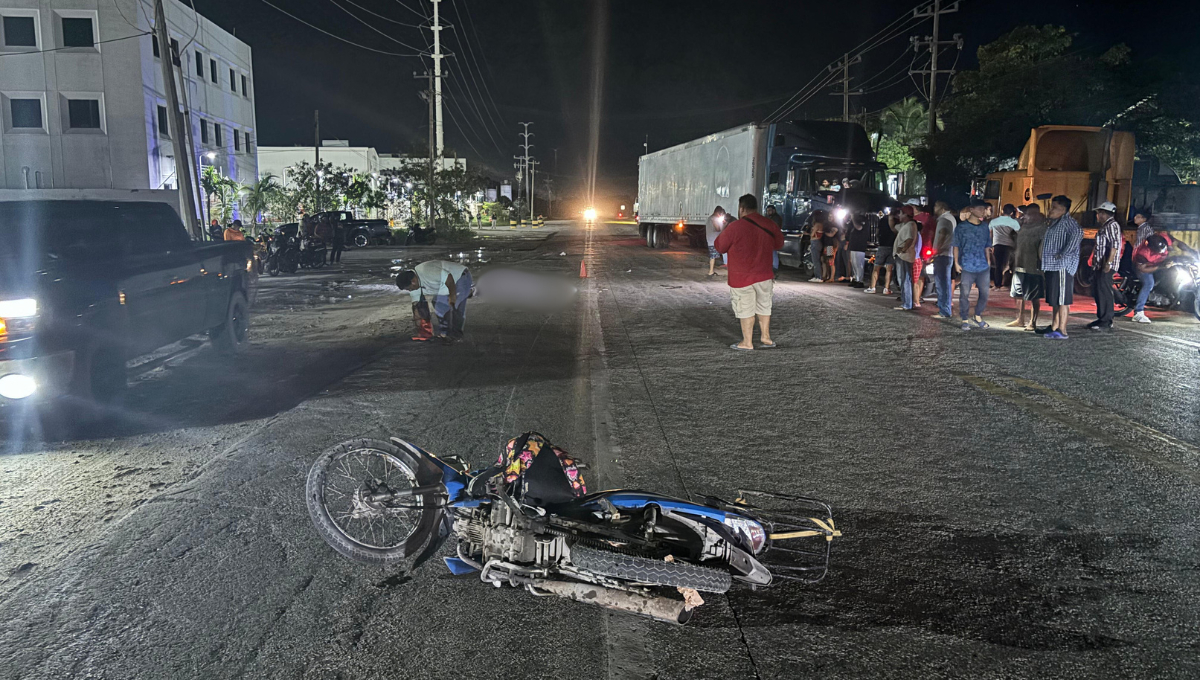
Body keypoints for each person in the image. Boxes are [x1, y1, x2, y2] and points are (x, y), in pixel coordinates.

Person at [714, 194, 784, 350]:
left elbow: (719, 246)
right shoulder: (769, 224)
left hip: (742, 276)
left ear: (741, 208)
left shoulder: (735, 227)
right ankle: (766, 338)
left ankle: (747, 342)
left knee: (745, 308)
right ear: (756, 207)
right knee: (764, 306)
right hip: (764, 274)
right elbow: (779, 243)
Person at [1039, 195, 1083, 339]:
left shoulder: (1069, 223)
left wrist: (1063, 254)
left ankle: (1062, 330)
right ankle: (1054, 326)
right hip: (1052, 266)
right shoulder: (1054, 223)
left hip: (1062, 266)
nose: (1051, 210)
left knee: (1063, 299)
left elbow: (1078, 235)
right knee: (1055, 299)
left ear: (1063, 210)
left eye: (1055, 208)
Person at [396, 260, 473, 340]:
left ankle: (456, 336)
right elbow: (416, 305)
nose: (410, 290)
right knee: (437, 302)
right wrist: (418, 320)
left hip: (460, 277)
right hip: (443, 285)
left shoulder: (427, 271)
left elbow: (449, 279)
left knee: (454, 306)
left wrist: (452, 297)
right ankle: (445, 332)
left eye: (409, 288)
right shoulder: (415, 286)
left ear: (413, 282)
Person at [953, 198, 994, 330]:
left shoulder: (984, 227)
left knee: (984, 293)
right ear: (972, 209)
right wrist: (956, 262)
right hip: (967, 264)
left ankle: (978, 315)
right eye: (981, 209)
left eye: (984, 209)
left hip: (982, 265)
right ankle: (965, 318)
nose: (983, 212)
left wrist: (988, 260)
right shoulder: (962, 227)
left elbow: (987, 245)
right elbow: (956, 245)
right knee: (965, 293)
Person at [1007, 204, 1048, 330]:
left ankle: (1033, 322)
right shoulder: (1022, 228)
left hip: (1033, 268)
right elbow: (1013, 241)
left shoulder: (1042, 229)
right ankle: (1020, 319)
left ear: (1036, 215)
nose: (1025, 216)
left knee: (1034, 296)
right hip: (1019, 266)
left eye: (1028, 214)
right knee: (1018, 294)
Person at [1087, 201, 1122, 331]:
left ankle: (1106, 319)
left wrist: (1108, 263)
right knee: (1098, 291)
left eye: (1099, 213)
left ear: (1104, 213)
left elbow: (1114, 246)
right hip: (1100, 264)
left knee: (1104, 291)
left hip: (1106, 265)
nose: (1097, 215)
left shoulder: (1112, 226)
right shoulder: (1105, 226)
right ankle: (1102, 317)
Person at [1131, 232, 1174, 324]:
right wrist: (1161, 267)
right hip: (1143, 268)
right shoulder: (1142, 253)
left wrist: (1190, 252)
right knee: (1149, 283)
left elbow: (1178, 244)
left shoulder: (1165, 238)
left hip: (1158, 264)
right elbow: (1142, 269)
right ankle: (1138, 312)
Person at [931, 201, 956, 319]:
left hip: (942, 254)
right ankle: (944, 309)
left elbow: (942, 234)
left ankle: (944, 310)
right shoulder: (951, 218)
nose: (934, 208)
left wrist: (935, 251)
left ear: (941, 208)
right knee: (944, 282)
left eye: (936, 206)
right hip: (948, 254)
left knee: (942, 283)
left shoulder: (943, 220)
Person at [893, 208, 920, 310]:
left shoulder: (910, 225)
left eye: (900, 213)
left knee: (904, 279)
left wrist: (902, 250)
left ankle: (907, 303)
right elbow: (893, 228)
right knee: (904, 279)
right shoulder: (907, 225)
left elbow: (909, 239)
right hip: (904, 255)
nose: (899, 216)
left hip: (904, 256)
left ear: (905, 214)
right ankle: (907, 302)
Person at [989, 204, 1021, 289]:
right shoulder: (1014, 222)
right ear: (1011, 213)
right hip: (1009, 246)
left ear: (1002, 211)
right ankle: (1009, 284)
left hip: (997, 245)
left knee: (998, 265)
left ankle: (997, 284)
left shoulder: (994, 221)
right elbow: (1019, 234)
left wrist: (991, 245)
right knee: (1008, 265)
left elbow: (990, 233)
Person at [866, 212, 897, 294]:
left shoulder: (883, 220)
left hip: (883, 245)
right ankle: (886, 288)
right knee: (889, 269)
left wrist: (878, 239)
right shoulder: (897, 220)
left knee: (876, 267)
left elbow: (877, 232)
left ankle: (873, 287)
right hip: (892, 246)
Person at [914, 204, 936, 302]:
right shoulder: (930, 219)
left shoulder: (914, 219)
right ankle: (917, 297)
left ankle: (915, 298)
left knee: (916, 275)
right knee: (921, 274)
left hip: (917, 250)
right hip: (925, 248)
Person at [846, 215, 870, 288]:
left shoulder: (864, 220)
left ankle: (860, 280)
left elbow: (859, 227)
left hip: (859, 246)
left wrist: (853, 218)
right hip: (853, 245)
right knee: (854, 263)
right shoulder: (853, 222)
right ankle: (856, 278)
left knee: (859, 264)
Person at [706, 206, 727, 277]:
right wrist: (724, 224)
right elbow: (718, 229)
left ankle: (711, 271)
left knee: (713, 256)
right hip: (713, 240)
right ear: (717, 212)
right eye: (720, 214)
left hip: (711, 240)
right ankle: (710, 272)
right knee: (712, 257)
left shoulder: (710, 218)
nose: (720, 215)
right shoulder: (713, 219)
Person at [807, 212, 827, 282]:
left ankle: (818, 276)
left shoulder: (817, 225)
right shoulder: (822, 225)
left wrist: (810, 233)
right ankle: (822, 276)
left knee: (816, 261)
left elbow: (812, 234)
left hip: (815, 242)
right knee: (821, 260)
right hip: (820, 243)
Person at [765, 205, 783, 275]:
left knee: (773, 251)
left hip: (773, 237)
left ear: (774, 210)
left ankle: (775, 266)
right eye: (767, 210)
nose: (768, 212)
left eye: (770, 210)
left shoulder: (776, 218)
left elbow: (775, 227)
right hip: (769, 236)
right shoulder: (769, 217)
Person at [820, 216, 840, 282]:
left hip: (830, 245)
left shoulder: (835, 225)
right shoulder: (826, 225)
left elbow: (831, 234)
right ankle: (826, 276)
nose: (830, 217)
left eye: (831, 216)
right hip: (826, 244)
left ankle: (832, 278)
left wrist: (824, 232)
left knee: (831, 261)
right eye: (829, 216)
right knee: (824, 260)